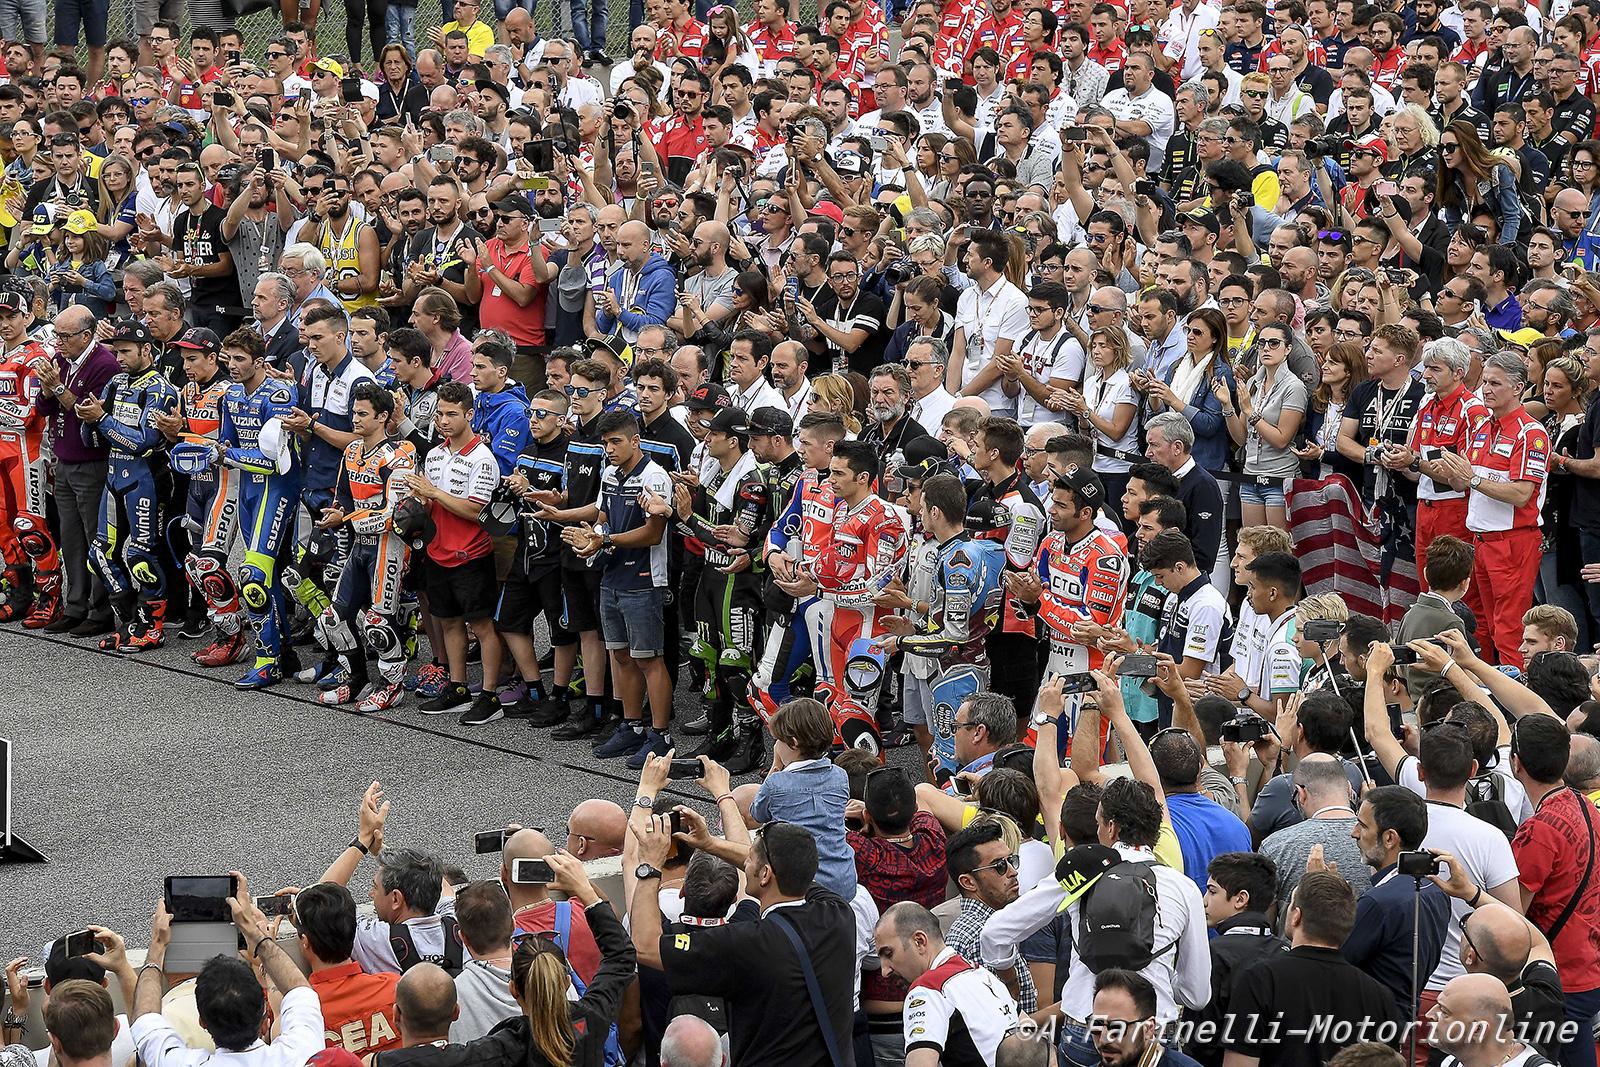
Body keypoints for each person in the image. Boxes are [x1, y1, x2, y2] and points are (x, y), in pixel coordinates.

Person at [640, 819, 860, 1067]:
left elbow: (646, 947)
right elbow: (788, 866)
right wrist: (710, 844)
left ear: (765, 874)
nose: (744, 863)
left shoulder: (746, 942)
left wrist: (649, 864)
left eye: (750, 859)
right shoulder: (838, 914)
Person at [1220, 871, 1401, 1067]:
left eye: (1290, 905)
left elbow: (1239, 1063)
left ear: (1296, 916)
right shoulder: (1380, 996)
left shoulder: (1260, 980)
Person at [78, 316, 179, 653]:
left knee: (139, 555)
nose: (118, 358)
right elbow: (92, 438)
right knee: (100, 555)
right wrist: (89, 420)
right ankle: (132, 621)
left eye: (125, 351)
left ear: (146, 349)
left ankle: (153, 628)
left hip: (146, 480)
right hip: (113, 476)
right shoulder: (117, 383)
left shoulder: (160, 388)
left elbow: (144, 442)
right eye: (115, 351)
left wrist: (102, 420)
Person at [1507, 713, 1600, 1067]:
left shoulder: (1539, 830)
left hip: (1562, 975)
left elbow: (1514, 911)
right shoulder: (1586, 805)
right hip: (1588, 960)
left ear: (1517, 763)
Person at [213, 326, 301, 688]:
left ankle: (268, 660)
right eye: (228, 358)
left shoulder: (278, 393)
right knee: (266, 574)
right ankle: (284, 652)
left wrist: (226, 454)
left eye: (240, 359)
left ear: (260, 361)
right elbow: (225, 443)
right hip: (248, 490)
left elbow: (274, 461)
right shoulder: (230, 395)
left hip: (277, 487)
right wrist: (211, 453)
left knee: (254, 578)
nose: (231, 366)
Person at [407, 381, 501, 716]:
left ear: (470, 414)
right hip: (436, 551)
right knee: (448, 622)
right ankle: (457, 687)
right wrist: (418, 502)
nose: (443, 421)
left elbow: (477, 512)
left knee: (482, 625)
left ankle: (490, 697)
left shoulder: (483, 459)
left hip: (471, 554)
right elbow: (431, 503)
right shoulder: (433, 455)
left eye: (451, 414)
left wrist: (433, 494)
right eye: (439, 414)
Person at [1337, 785, 1451, 1019]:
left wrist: (1318, 897)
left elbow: (1331, 963)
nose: (1354, 833)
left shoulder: (1379, 903)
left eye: (1363, 825)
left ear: (1389, 838)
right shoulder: (1435, 890)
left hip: (1368, 1030)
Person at [874, 901, 1020, 1067]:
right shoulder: (982, 975)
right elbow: (1034, 1041)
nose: (884, 971)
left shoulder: (927, 989)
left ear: (919, 941)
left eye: (888, 954)